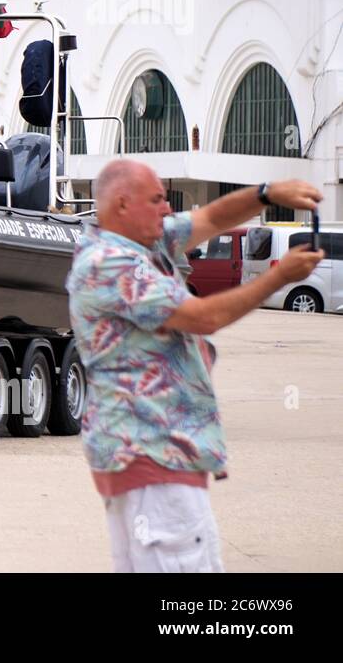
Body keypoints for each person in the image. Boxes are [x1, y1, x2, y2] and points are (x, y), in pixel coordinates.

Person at [67, 160, 323, 572]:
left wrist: (267, 194)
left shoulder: (142, 243)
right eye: (156, 200)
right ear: (122, 204)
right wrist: (279, 277)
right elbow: (203, 317)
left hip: (148, 456)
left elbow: (210, 217)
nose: (166, 209)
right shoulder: (112, 264)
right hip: (152, 453)